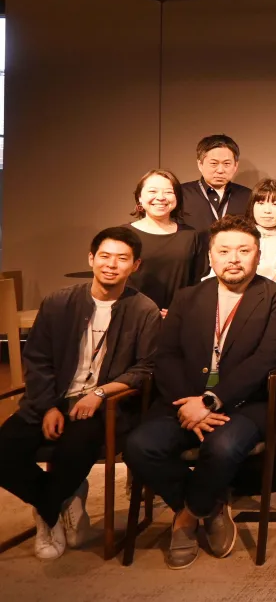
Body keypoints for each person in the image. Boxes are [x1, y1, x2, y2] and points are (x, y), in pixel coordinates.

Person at [123, 215, 276, 569]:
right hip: (183, 399)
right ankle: (211, 504)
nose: (234, 258)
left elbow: (268, 359)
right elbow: (166, 355)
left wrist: (210, 401)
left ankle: (187, 517)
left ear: (258, 254)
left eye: (244, 250)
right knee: (139, 446)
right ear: (210, 256)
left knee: (222, 447)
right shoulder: (188, 297)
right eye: (224, 250)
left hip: (246, 403)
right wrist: (189, 403)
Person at [0, 228, 160, 560]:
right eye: (104, 256)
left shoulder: (143, 309)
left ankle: (48, 514)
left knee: (75, 447)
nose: (111, 265)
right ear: (91, 258)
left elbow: (146, 368)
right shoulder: (59, 302)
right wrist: (48, 407)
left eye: (122, 258)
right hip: (49, 399)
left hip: (105, 407)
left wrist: (99, 393)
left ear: (135, 265)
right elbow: (38, 359)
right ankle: (55, 503)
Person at [125, 169, 207, 314]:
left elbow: (198, 281)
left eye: (168, 192)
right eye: (152, 191)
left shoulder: (190, 235)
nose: (161, 197)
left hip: (178, 317)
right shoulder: (124, 235)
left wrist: (180, 310)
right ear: (139, 197)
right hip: (133, 315)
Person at [178, 135, 253, 237]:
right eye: (214, 163)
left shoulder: (248, 196)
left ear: (235, 165)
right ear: (200, 164)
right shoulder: (182, 194)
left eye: (226, 164)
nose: (220, 170)